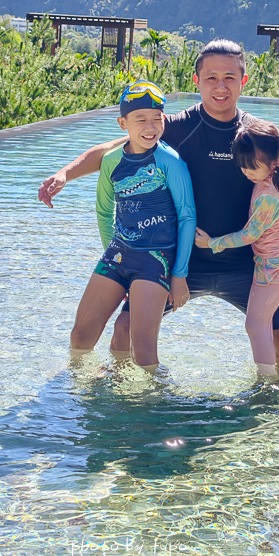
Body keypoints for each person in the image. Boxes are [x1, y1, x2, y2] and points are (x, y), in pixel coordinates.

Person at [40, 39, 279, 364]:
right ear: (196, 81)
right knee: (124, 329)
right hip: (182, 263)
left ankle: (274, 406)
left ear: (244, 81)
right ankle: (125, 403)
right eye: (211, 77)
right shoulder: (175, 128)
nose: (220, 86)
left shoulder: (259, 135)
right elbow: (110, 151)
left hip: (245, 264)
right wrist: (64, 175)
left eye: (229, 77)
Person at [69, 80, 195, 370]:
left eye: (157, 119)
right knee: (80, 335)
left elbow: (187, 217)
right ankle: (78, 395)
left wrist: (179, 275)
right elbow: (104, 212)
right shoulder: (112, 161)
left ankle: (151, 406)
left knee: (143, 350)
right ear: (122, 123)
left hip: (156, 259)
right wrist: (112, 254)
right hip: (118, 255)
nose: (150, 127)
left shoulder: (170, 162)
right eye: (141, 120)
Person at [195, 120, 279, 376]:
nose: (246, 173)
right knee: (272, 322)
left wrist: (212, 243)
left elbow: (250, 234)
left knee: (256, 324)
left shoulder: (267, 195)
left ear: (275, 160)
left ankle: (266, 380)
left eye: (253, 167)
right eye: (242, 166)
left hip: (273, 266)